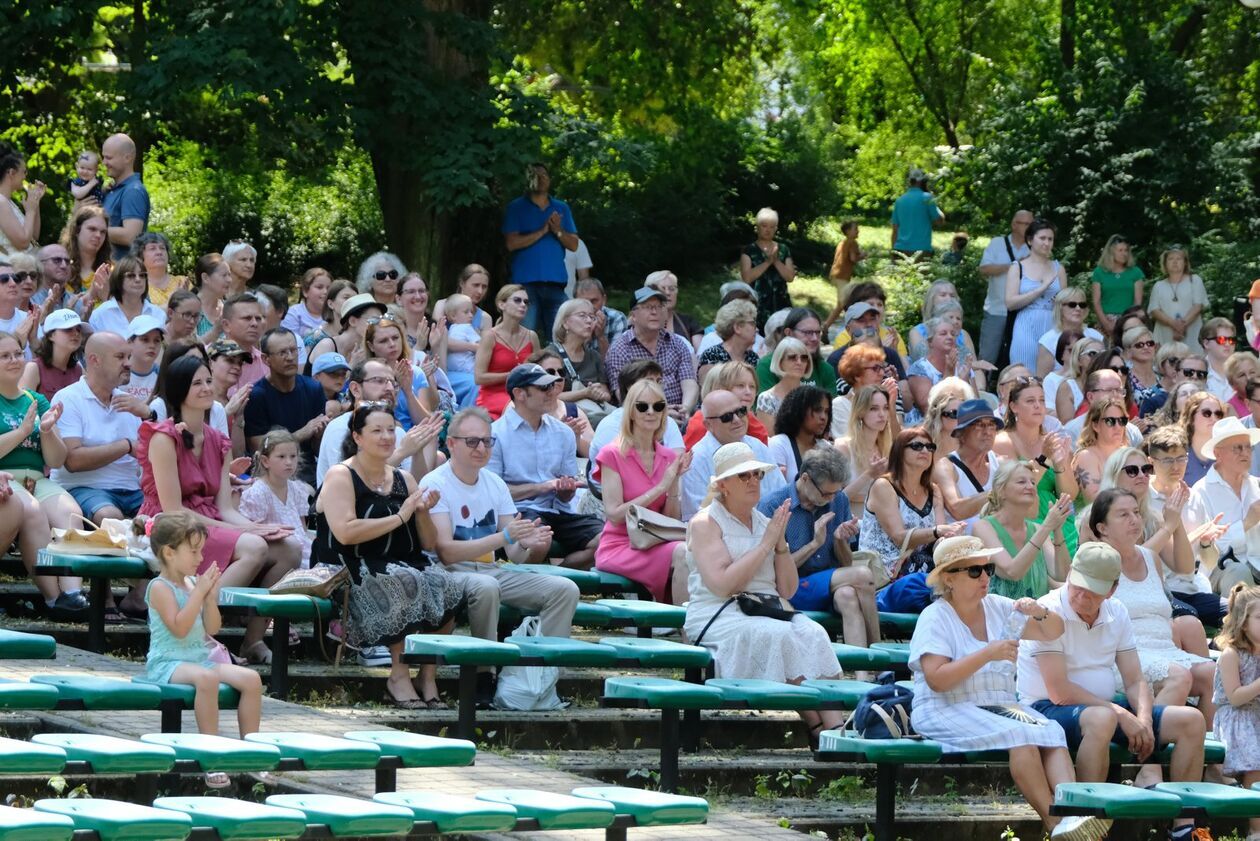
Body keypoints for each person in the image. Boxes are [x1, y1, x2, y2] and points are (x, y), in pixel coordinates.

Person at [910, 537, 1105, 841]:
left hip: (996, 707)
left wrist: (1040, 611)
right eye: (974, 571)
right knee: (1021, 735)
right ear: (949, 578)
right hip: (945, 706)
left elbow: (1053, 631)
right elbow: (937, 679)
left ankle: (1072, 816)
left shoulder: (998, 607)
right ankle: (1055, 823)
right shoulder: (934, 616)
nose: (986, 577)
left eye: (987, 568)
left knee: (1051, 730)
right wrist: (988, 652)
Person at [1017, 542, 1208, 841]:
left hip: (1099, 707)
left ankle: (1185, 827)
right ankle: (1086, 824)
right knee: (1102, 719)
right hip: (1045, 708)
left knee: (1192, 721)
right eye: (1077, 585)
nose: (1081, 595)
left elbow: (1134, 680)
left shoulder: (1117, 612)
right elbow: (1059, 691)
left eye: (1092, 590)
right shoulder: (1048, 611)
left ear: (1112, 589)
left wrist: (1143, 718)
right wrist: (1119, 713)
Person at [683, 441, 845, 746]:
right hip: (719, 613)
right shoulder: (706, 522)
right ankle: (820, 729)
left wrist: (780, 544)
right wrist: (764, 545)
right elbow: (722, 585)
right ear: (723, 486)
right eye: (743, 476)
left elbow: (787, 590)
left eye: (756, 474)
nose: (753, 481)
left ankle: (836, 731)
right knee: (778, 635)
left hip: (766, 608)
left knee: (814, 632)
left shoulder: (764, 522)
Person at [140, 354, 300, 662]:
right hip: (172, 522)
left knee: (288, 548)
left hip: (208, 520)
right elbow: (174, 509)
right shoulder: (163, 437)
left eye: (208, 381)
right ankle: (192, 631)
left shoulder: (217, 439)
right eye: (196, 383)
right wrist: (246, 531)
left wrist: (254, 525)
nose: (205, 388)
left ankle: (253, 640)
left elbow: (224, 507)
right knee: (253, 547)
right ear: (178, 391)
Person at [423, 406, 578, 704]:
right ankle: (484, 674)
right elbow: (446, 552)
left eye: (487, 441)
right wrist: (506, 536)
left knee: (565, 589)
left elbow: (515, 556)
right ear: (451, 443)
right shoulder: (436, 482)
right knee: (486, 586)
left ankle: (544, 676)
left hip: (492, 570)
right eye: (472, 441)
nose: (481, 448)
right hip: (448, 573)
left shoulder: (494, 483)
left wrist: (530, 543)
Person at [314, 403, 464, 709]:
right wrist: (399, 517)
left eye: (390, 430)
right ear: (357, 436)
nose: (386, 437)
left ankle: (427, 674)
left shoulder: (403, 478)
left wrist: (421, 512)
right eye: (376, 430)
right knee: (403, 580)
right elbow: (345, 532)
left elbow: (428, 542)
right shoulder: (341, 474)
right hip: (351, 564)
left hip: (402, 560)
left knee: (448, 585)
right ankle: (398, 675)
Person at [1090, 489, 1217, 780]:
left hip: (1163, 648)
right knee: (1179, 676)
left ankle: (1211, 766)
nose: (1134, 520)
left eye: (1136, 512)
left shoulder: (1150, 557)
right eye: (1123, 514)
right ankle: (1147, 765)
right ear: (1102, 528)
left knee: (1212, 672)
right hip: (1122, 655)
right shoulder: (1097, 561)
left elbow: (1162, 613)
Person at [143, 510, 264, 789]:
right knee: (206, 679)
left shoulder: (193, 583)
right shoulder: (159, 587)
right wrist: (198, 594)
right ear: (169, 553)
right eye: (194, 552)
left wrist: (209, 598)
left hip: (198, 657)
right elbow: (180, 629)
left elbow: (212, 628)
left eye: (201, 551)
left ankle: (252, 754)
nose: (200, 558)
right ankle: (211, 757)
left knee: (251, 679)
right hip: (168, 662)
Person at [759, 448, 873, 657]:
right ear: (805, 479)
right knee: (863, 574)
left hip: (829, 584)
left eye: (835, 492)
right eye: (826, 493)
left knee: (848, 595)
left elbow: (846, 563)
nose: (831, 499)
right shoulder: (773, 505)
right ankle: (880, 656)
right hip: (790, 588)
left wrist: (839, 541)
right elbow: (771, 572)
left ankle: (863, 673)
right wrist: (814, 544)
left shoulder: (839, 500)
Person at [489, 363, 603, 568]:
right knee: (539, 539)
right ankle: (534, 591)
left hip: (558, 513)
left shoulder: (564, 432)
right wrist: (542, 487)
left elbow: (566, 494)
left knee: (607, 540)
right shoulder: (495, 434)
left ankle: (557, 580)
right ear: (520, 394)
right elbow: (493, 493)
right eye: (543, 388)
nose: (552, 391)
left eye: (552, 386)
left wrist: (565, 490)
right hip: (519, 511)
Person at [593, 379, 692, 602]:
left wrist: (674, 481)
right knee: (684, 552)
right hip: (620, 545)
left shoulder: (668, 456)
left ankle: (685, 628)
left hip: (656, 542)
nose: (651, 412)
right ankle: (684, 630)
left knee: (691, 551)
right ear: (631, 412)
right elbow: (614, 514)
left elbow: (670, 520)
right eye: (642, 406)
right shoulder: (612, 454)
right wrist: (661, 487)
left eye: (658, 406)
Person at [859, 427, 966, 612]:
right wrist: (937, 531)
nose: (925, 451)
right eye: (917, 446)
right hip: (887, 579)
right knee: (920, 584)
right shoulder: (884, 486)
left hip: (924, 572)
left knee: (965, 578)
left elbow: (939, 539)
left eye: (929, 447)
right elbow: (899, 537)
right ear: (900, 451)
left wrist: (951, 537)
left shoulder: (934, 491)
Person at [50, 332, 147, 529]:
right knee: (110, 517)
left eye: (128, 357)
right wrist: (126, 446)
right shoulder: (69, 398)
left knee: (170, 519)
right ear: (95, 360)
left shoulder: (131, 403)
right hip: (84, 488)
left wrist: (148, 415)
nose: (128, 363)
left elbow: (150, 454)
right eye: (120, 357)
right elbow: (73, 460)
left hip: (132, 489)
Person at [316, 359, 441, 489]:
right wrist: (401, 452)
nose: (389, 388)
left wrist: (417, 450)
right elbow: (346, 484)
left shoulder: (397, 432)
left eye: (393, 383)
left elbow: (417, 487)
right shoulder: (341, 428)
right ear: (355, 389)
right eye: (379, 381)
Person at [682, 388, 786, 521]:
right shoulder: (696, 459)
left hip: (767, 527)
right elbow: (697, 516)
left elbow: (780, 495)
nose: (737, 420)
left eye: (741, 412)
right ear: (708, 425)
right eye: (727, 417)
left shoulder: (758, 446)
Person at [973, 462, 1072, 600]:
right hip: (1001, 617)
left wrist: (1057, 530)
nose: (1030, 486)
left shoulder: (1037, 529)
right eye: (1021, 482)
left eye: (1033, 482)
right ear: (1001, 491)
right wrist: (1047, 526)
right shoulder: (983, 527)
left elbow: (1061, 575)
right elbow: (1012, 572)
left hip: (1038, 616)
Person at [502, 163, 577, 342]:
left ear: (550, 180)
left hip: (556, 284)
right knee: (523, 336)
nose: (541, 179)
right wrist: (543, 231)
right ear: (528, 180)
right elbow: (511, 244)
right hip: (525, 285)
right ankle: (524, 370)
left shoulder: (561, 208)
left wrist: (558, 230)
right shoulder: (516, 207)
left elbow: (574, 245)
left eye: (544, 175)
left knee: (563, 336)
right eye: (536, 175)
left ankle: (558, 370)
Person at [244, 328, 328, 485]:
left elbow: (318, 448)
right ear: (266, 359)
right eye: (282, 353)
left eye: (293, 351)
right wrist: (302, 433)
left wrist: (319, 434)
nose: (290, 357)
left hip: (308, 467)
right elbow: (259, 448)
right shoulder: (257, 395)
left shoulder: (313, 388)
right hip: (271, 473)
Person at [1186, 417, 1260, 592]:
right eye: (1237, 448)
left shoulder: (1256, 485)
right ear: (1218, 454)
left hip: (1257, 564)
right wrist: (1247, 523)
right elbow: (1208, 550)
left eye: (1248, 447)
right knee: (1239, 572)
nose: (1245, 453)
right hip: (1222, 570)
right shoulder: (1201, 491)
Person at [1211, 584, 1260, 841]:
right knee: (1256, 765)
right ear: (1242, 622)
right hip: (1236, 720)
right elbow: (1235, 698)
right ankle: (1256, 829)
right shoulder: (1231, 655)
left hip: (1257, 718)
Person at [605, 287, 698, 421]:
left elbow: (689, 381)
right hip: (642, 416)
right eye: (648, 307)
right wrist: (661, 412)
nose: (654, 312)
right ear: (633, 315)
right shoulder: (620, 349)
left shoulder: (677, 343)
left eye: (659, 307)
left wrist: (685, 408)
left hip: (682, 413)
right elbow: (623, 396)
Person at [239, 430, 315, 570]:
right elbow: (253, 532)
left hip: (302, 549)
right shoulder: (258, 493)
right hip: (279, 553)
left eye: (293, 456)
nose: (289, 462)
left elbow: (302, 529)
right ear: (265, 461)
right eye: (281, 457)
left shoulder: (297, 489)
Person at [1005, 219, 1066, 372]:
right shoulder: (1017, 267)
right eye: (1042, 238)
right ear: (1030, 240)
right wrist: (1041, 289)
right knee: (1024, 374)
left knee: (1053, 375)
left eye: (1050, 239)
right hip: (1026, 326)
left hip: (1053, 325)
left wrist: (1059, 301)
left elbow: (1066, 302)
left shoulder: (1059, 268)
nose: (1047, 243)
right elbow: (1010, 302)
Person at [474, 284, 538, 421]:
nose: (523, 305)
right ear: (501, 304)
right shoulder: (490, 336)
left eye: (526, 302)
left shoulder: (532, 336)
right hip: (494, 396)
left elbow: (539, 370)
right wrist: (513, 375)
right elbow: (479, 377)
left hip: (526, 395)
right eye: (517, 300)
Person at [934, 398, 1002, 527]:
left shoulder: (999, 462)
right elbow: (957, 509)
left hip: (997, 541)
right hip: (964, 544)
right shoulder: (946, 466)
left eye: (991, 425)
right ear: (961, 433)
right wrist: (999, 492)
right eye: (979, 425)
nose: (987, 432)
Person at [834, 384, 895, 517]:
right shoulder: (843, 447)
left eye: (885, 408)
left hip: (883, 522)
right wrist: (869, 474)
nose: (882, 414)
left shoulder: (887, 449)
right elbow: (836, 500)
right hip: (851, 525)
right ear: (861, 412)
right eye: (874, 409)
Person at [549, 298, 612, 424]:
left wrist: (600, 394)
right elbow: (548, 396)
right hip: (563, 415)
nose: (589, 321)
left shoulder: (594, 356)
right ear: (565, 323)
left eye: (592, 317)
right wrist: (585, 393)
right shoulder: (551, 355)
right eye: (582, 316)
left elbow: (606, 393)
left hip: (595, 412)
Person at [756, 307, 836, 397]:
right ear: (788, 333)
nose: (815, 338)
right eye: (808, 332)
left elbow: (831, 408)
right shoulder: (767, 366)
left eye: (818, 332)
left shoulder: (825, 369)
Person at [684, 360, 766, 448]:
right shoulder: (702, 423)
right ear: (722, 389)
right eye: (740, 385)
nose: (748, 392)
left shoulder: (754, 423)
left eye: (752, 386)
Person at [739, 208, 797, 331]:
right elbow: (747, 277)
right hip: (757, 305)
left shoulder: (783, 249)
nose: (768, 230)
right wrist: (767, 262)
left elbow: (790, 277)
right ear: (757, 227)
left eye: (772, 227)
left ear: (776, 228)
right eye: (764, 226)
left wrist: (776, 261)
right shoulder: (749, 250)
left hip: (781, 303)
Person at [832, 342, 902, 439]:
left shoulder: (885, 398)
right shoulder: (840, 405)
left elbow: (898, 442)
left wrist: (890, 407)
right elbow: (851, 447)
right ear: (857, 375)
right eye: (875, 368)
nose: (882, 373)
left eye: (882, 367)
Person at [906, 316, 969, 423]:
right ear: (930, 342)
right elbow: (927, 408)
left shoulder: (963, 366)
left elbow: (973, 403)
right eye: (943, 333)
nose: (950, 337)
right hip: (925, 427)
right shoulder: (919, 368)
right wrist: (948, 374)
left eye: (953, 334)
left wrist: (965, 383)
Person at [766, 385, 832, 486]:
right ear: (799, 410)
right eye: (817, 410)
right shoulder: (778, 444)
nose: (823, 417)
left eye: (826, 412)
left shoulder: (827, 447)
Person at [87, 256, 166, 338]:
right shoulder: (100, 315)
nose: (138, 279)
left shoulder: (157, 314)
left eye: (142, 275)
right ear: (118, 279)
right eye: (131, 275)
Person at [1071, 397, 1130, 502]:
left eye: (1122, 420)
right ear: (1095, 425)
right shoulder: (1086, 456)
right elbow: (1094, 500)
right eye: (1110, 421)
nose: (1118, 427)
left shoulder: (1128, 454)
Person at [1036, 288, 1104, 379]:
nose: (1078, 308)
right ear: (1060, 308)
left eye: (1082, 305)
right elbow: (1041, 379)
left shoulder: (1096, 335)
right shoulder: (1048, 340)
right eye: (1072, 305)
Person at [1147, 246, 1208, 347]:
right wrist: (1173, 324)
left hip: (1192, 333)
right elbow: (1154, 310)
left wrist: (1182, 325)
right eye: (1171, 259)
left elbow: (1198, 306)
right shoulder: (1158, 285)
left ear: (1185, 263)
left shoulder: (1195, 280)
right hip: (1165, 334)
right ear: (1165, 263)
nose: (1175, 262)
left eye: (1179, 258)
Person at [101, 134, 149, 260]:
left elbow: (131, 236)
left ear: (127, 158)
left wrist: (95, 229)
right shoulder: (111, 190)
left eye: (108, 158)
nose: (104, 162)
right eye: (103, 157)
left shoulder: (134, 191)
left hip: (123, 274)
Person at [22, 308, 84, 401]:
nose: (76, 333)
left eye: (78, 330)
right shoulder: (33, 368)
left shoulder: (79, 369)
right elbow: (22, 408)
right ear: (51, 335)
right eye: (68, 329)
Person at [1090, 235, 1144, 334]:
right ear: (1111, 252)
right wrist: (1106, 324)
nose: (1124, 254)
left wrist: (1128, 322)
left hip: (1129, 321)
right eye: (1120, 250)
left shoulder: (1136, 272)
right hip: (1105, 321)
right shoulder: (1099, 272)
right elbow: (1096, 302)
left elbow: (1137, 302)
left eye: (1126, 250)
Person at [697, 298, 759, 385]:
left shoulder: (753, 358)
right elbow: (707, 392)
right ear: (737, 328)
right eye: (752, 324)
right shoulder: (712, 356)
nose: (756, 329)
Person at [754, 337, 810, 432]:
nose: (799, 362)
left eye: (804, 358)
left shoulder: (813, 395)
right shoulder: (767, 399)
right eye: (792, 358)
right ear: (780, 362)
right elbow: (770, 438)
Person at [220, 294, 270, 395]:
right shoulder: (205, 358)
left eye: (258, 318)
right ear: (226, 325)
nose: (254, 323)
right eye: (247, 318)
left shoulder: (267, 364)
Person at [822, 221, 865, 336]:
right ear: (848, 231)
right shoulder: (852, 243)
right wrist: (863, 255)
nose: (858, 231)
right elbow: (853, 259)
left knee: (845, 303)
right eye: (855, 229)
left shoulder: (842, 242)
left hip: (835, 274)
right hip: (842, 276)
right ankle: (826, 327)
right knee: (843, 303)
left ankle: (845, 326)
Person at [0, 144, 43, 258]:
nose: (25, 176)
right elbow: (23, 243)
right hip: (12, 271)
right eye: (24, 172)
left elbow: (33, 237)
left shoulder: (9, 202)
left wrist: (35, 202)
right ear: (11, 173)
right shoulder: (1, 202)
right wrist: (29, 212)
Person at [889, 167, 944, 257]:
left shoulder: (900, 200)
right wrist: (935, 205)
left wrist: (893, 252)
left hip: (901, 250)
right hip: (921, 250)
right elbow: (940, 221)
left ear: (910, 181)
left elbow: (895, 229)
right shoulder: (928, 198)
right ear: (922, 181)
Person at [281, 268, 332, 359]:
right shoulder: (294, 314)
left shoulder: (333, 315)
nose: (325, 292)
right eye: (319, 287)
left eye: (329, 288)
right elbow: (287, 345)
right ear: (305, 291)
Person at [645, 270, 702, 349]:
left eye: (672, 289)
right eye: (662, 289)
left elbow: (701, 354)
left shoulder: (688, 322)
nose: (668, 293)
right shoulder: (638, 323)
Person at [442, 292, 481, 408]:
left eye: (472, 312)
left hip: (458, 371)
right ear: (453, 316)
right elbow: (481, 346)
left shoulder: (451, 330)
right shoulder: (467, 328)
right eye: (466, 312)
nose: (471, 315)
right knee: (476, 385)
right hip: (466, 371)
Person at [1180, 391, 1226, 487]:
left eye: (1218, 414)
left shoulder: (1228, 453)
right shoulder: (1178, 454)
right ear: (1191, 417)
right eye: (1207, 413)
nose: (1213, 418)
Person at [574, 277, 628, 357]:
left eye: (594, 301)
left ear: (604, 300)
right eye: (584, 302)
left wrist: (601, 336)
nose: (590, 306)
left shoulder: (617, 318)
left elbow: (616, 361)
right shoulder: (569, 320)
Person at [922, 378, 974, 457]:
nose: (961, 417)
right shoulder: (921, 446)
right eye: (954, 413)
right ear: (938, 414)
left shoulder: (977, 448)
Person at [129, 232, 183, 308]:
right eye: (152, 249)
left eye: (162, 248)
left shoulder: (182, 281)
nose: (159, 252)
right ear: (139, 255)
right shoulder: (135, 286)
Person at [121, 314, 164, 403]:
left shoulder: (162, 376)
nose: (152, 345)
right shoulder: (118, 372)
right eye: (145, 339)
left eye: (157, 340)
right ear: (129, 343)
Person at [192, 253, 232, 343]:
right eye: (224, 275)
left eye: (229, 275)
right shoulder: (189, 310)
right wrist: (215, 331)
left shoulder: (229, 309)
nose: (229, 280)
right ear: (205, 278)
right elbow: (188, 347)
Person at [1121, 325, 1161, 409]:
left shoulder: (1161, 374)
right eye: (1139, 345)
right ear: (1128, 351)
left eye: (1150, 343)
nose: (1146, 347)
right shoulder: (1124, 378)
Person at [1201, 316, 1239, 404]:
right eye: (1221, 340)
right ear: (1206, 343)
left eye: (1231, 340)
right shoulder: (1197, 372)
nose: (1227, 344)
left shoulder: (1243, 370)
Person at [1225, 352, 1260, 420]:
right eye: (1242, 375)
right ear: (1232, 383)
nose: (1249, 378)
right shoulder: (1230, 408)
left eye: (1252, 372)